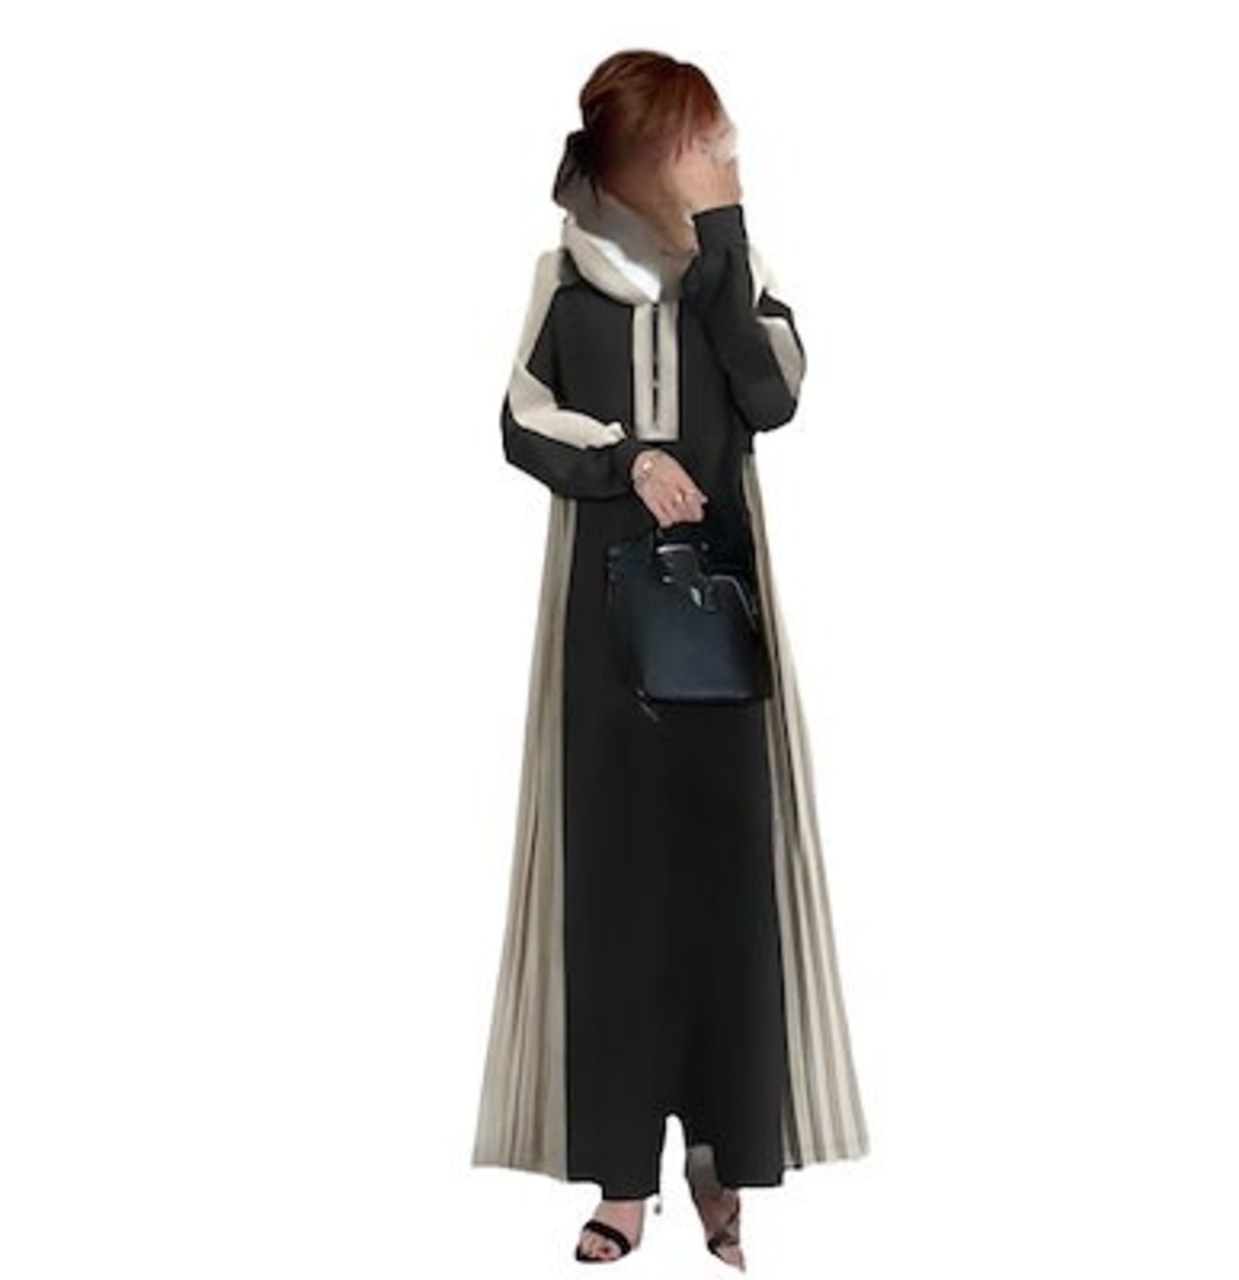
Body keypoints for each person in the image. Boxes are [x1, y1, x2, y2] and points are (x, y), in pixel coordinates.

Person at [471, 49, 870, 1268]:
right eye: (699, 140)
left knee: (722, 891)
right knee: (614, 894)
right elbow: (518, 419)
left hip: (719, 623)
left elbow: (774, 394)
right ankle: (621, 1178)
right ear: (642, 154)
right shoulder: (562, 280)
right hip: (603, 632)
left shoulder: (732, 276)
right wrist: (625, 460)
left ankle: (720, 1157)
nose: (720, 153)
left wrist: (723, 234)